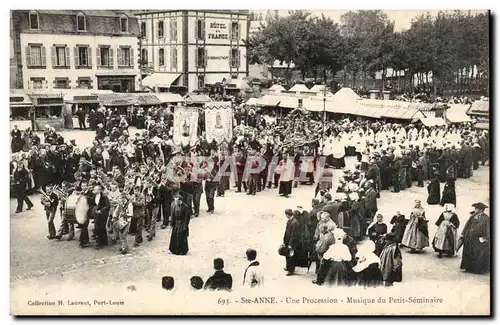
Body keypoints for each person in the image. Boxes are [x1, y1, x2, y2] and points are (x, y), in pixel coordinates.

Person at [459, 202, 490, 274]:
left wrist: (486, 238)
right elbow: (466, 225)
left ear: (481, 210)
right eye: (475, 208)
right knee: (469, 252)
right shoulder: (473, 216)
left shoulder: (486, 218)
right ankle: (468, 268)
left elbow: (488, 229)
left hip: (479, 240)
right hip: (469, 238)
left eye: (477, 208)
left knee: (478, 254)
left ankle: (478, 270)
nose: (475, 209)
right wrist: (463, 234)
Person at [90, 184, 110, 249]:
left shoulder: (104, 197)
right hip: (96, 214)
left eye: (96, 189)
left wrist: (101, 211)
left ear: (99, 190)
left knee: (100, 227)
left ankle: (99, 243)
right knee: (99, 227)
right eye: (94, 189)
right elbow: (92, 205)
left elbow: (108, 206)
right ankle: (104, 242)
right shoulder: (93, 197)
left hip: (103, 214)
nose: (94, 191)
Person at [282, 209, 301, 276]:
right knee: (287, 255)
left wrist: (290, 244)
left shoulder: (295, 223)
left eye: (286, 215)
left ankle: (291, 270)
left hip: (292, 242)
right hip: (287, 241)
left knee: (291, 256)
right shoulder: (290, 221)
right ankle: (288, 267)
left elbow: (294, 235)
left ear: (288, 215)